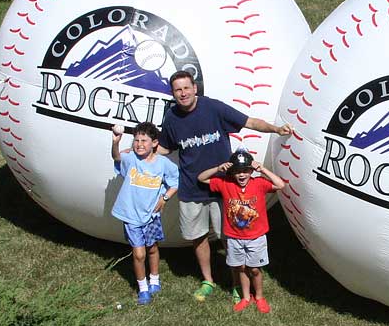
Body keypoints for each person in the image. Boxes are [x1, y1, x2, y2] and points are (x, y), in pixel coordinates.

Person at [158, 70, 292, 302]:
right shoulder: (172, 118)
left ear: (195, 88)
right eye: (178, 90)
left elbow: (249, 122)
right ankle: (208, 280)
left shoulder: (214, 108)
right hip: (191, 188)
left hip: (224, 188)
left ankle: (236, 283)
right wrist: (141, 152)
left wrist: (276, 129)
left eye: (186, 88)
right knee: (197, 237)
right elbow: (166, 147)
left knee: (229, 237)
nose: (183, 93)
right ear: (173, 93)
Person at [198, 149, 284, 313]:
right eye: (237, 172)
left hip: (256, 237)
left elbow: (280, 185)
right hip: (234, 237)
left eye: (245, 171)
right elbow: (201, 178)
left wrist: (263, 169)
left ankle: (259, 296)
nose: (242, 175)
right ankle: (245, 297)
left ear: (251, 171)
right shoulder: (226, 184)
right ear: (232, 173)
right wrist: (218, 168)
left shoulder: (259, 183)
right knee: (241, 268)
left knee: (254, 269)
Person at [111, 122, 179, 305]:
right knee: (139, 254)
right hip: (131, 215)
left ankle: (154, 279)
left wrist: (164, 199)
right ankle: (143, 288)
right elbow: (117, 158)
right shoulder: (131, 158)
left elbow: (174, 183)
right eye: (136, 140)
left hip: (151, 216)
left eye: (144, 140)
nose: (139, 144)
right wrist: (116, 142)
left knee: (153, 248)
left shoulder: (164, 164)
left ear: (155, 143)